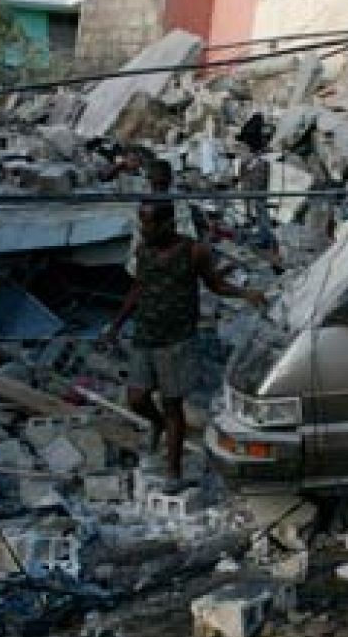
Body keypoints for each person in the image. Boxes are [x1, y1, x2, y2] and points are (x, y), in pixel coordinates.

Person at [104, 202, 265, 492]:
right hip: (145, 333)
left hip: (177, 338)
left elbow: (215, 285)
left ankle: (173, 472)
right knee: (137, 398)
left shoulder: (194, 251)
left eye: (150, 224)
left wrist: (245, 294)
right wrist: (115, 325)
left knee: (172, 404)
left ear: (168, 223)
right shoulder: (144, 250)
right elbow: (138, 288)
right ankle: (158, 425)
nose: (145, 230)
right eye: (142, 224)